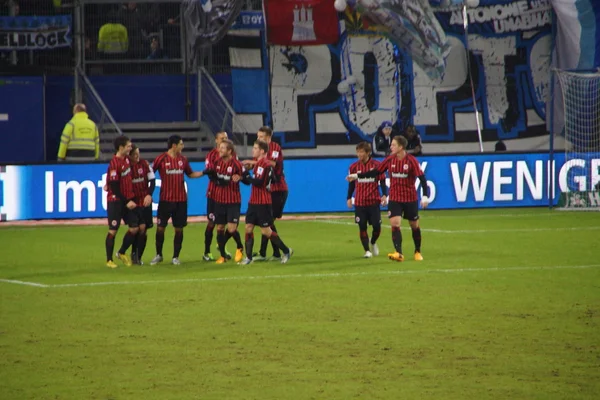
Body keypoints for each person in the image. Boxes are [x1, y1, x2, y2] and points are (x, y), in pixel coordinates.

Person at [347, 136, 430, 262]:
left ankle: (417, 251)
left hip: (410, 198)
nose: (391, 147)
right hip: (395, 198)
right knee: (395, 224)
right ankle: (399, 253)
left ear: (401, 147)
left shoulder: (411, 161)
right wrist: (357, 175)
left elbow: (422, 179)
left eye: (393, 145)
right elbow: (376, 172)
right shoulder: (390, 159)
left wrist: (424, 196)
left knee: (414, 225)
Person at [149, 135, 203, 265]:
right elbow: (150, 173)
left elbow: (190, 174)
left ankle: (175, 257)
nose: (182, 147)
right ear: (174, 145)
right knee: (160, 228)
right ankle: (159, 254)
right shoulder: (161, 159)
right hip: (165, 200)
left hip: (180, 200)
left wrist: (205, 172)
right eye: (181, 144)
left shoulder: (183, 160)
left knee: (179, 229)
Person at [238, 140, 293, 265]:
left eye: (255, 148)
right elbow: (268, 180)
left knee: (266, 231)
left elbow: (258, 182)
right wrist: (244, 177)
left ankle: (286, 250)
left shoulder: (265, 164)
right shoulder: (259, 164)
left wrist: (245, 174)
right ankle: (248, 258)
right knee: (248, 227)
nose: (253, 150)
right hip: (253, 201)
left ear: (262, 151)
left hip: (263, 202)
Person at [201, 139, 245, 264]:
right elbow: (212, 175)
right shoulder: (216, 162)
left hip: (233, 201)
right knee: (219, 227)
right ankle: (223, 255)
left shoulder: (236, 164)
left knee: (231, 229)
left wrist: (240, 177)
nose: (220, 150)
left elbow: (247, 178)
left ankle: (240, 247)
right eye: (220, 147)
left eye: (223, 148)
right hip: (219, 200)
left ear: (230, 151)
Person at [347, 142, 387, 258]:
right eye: (358, 152)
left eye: (361, 152)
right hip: (360, 202)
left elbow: (382, 181)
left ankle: (373, 242)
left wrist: (384, 194)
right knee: (362, 226)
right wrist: (349, 197)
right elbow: (351, 184)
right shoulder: (353, 167)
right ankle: (367, 251)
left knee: (377, 227)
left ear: (368, 153)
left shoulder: (377, 165)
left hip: (373, 201)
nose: (359, 154)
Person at [105, 136, 138, 268]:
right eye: (128, 146)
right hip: (116, 201)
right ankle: (109, 260)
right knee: (113, 230)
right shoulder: (115, 163)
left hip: (126, 200)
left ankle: (121, 252)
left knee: (134, 228)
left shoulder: (126, 160)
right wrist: (126, 202)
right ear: (121, 148)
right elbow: (114, 186)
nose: (130, 148)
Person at [203, 131, 229, 261]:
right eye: (222, 138)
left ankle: (222, 250)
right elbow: (210, 172)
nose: (224, 140)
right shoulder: (211, 155)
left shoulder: (231, 154)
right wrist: (221, 181)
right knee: (212, 222)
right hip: (214, 194)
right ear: (216, 140)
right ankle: (207, 252)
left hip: (226, 195)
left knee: (223, 224)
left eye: (226, 138)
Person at [128, 144, 156, 265]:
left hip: (145, 201)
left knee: (144, 230)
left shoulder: (144, 164)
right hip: (133, 202)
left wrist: (149, 194)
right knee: (137, 228)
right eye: (134, 154)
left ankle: (138, 256)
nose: (137, 156)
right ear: (129, 156)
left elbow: (152, 180)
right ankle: (133, 253)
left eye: (138, 153)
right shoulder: (126, 167)